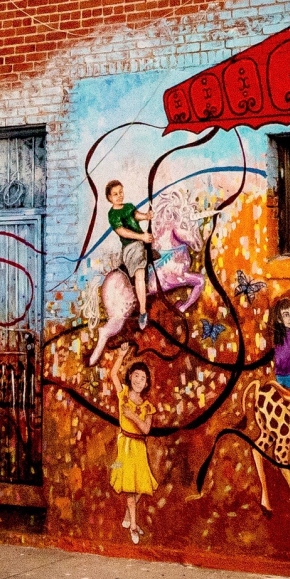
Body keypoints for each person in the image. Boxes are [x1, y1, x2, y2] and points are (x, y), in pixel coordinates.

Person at [107, 359, 159, 541]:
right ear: (130, 376)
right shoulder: (122, 394)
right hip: (126, 445)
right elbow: (113, 374)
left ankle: (128, 516)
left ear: (146, 383)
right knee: (130, 487)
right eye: (136, 375)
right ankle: (134, 527)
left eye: (143, 378)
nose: (138, 380)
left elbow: (145, 429)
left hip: (139, 447)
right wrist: (121, 355)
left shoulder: (147, 406)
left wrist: (132, 416)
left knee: (141, 486)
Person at [105, 180, 158, 325]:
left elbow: (137, 215)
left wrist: (147, 216)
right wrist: (141, 236)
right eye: (115, 194)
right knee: (139, 273)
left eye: (120, 192)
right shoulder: (113, 214)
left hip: (143, 242)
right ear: (109, 197)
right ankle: (143, 312)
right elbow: (122, 231)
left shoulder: (128, 206)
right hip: (131, 247)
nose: (119, 196)